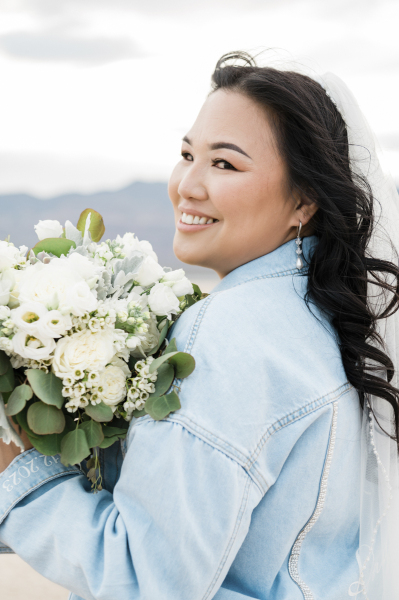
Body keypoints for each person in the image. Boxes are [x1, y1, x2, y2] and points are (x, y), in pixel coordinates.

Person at [0, 51, 398, 600]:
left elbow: (149, 579)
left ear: (303, 201)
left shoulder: (230, 331)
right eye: (187, 154)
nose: (188, 184)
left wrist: (14, 477)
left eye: (225, 164)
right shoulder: (319, 319)